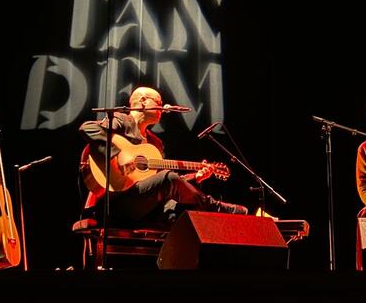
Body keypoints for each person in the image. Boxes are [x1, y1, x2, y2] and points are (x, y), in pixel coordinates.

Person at [79, 85, 248, 227]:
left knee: (177, 208)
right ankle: (215, 207)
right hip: (115, 201)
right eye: (158, 102)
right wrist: (119, 154)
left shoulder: (155, 144)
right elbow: (87, 128)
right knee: (168, 178)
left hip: (142, 203)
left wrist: (195, 176)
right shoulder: (122, 120)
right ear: (143, 102)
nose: (163, 106)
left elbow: (161, 184)